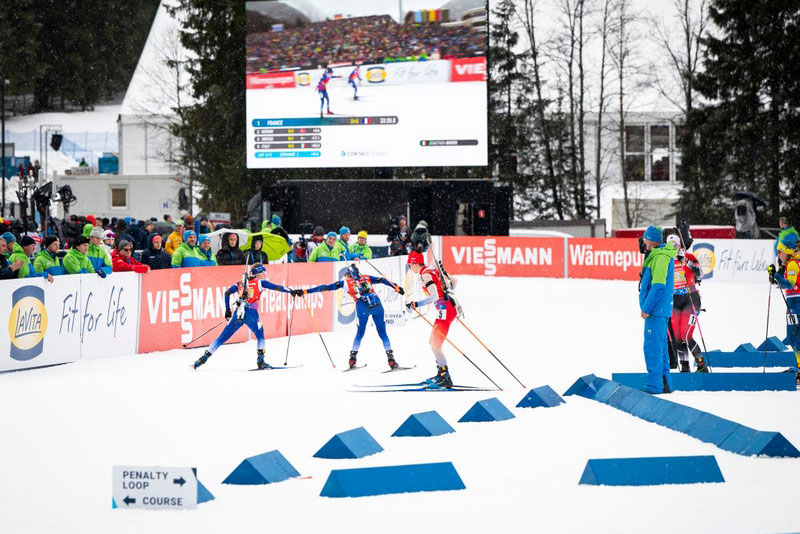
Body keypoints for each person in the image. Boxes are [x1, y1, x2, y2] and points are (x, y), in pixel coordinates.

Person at [294, 263, 403, 370]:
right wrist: (396, 286)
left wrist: (305, 291)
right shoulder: (366, 277)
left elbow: (325, 287)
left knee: (360, 333)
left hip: (362, 307)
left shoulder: (344, 283)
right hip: (377, 304)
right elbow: (381, 280)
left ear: (347, 275)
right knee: (382, 333)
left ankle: (352, 359)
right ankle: (391, 359)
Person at [193, 263, 292, 370]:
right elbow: (277, 287)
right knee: (260, 334)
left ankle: (202, 359)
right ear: (259, 273)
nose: (265, 275)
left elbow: (227, 293)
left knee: (222, 337)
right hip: (251, 313)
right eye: (264, 273)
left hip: (238, 313)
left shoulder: (241, 282)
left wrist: (228, 310)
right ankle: (261, 361)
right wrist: (291, 291)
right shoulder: (260, 282)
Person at [404, 250, 459, 389]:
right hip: (446, 309)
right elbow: (454, 282)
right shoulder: (431, 270)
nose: (410, 267)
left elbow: (434, 296)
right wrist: (447, 292)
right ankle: (441, 373)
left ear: (415, 264)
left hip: (445, 310)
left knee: (435, 344)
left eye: (410, 265)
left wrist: (416, 304)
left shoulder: (425, 275)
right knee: (433, 342)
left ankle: (446, 377)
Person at [639, 226, 677, 394]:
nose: (644, 241)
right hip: (659, 310)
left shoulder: (660, 257)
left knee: (653, 348)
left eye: (645, 238)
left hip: (656, 310)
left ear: (652, 240)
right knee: (660, 348)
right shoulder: (658, 255)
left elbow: (659, 285)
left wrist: (646, 308)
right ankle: (664, 384)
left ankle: (654, 386)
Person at [665, 233, 707, 373]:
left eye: (676, 245)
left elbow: (700, 274)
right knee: (677, 337)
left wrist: (686, 262)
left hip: (690, 298)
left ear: (680, 245)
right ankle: (684, 367)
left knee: (686, 335)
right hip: (674, 300)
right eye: (670, 245)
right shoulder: (666, 260)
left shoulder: (689, 257)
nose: (673, 247)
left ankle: (701, 365)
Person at [769, 234, 800, 377]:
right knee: (793, 336)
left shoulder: (793, 264)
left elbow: (789, 284)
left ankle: (798, 368)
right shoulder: (789, 264)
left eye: (780, 252)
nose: (779, 254)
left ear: (787, 252)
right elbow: (781, 282)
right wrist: (775, 275)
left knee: (794, 336)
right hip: (793, 303)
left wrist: (777, 277)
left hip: (796, 304)